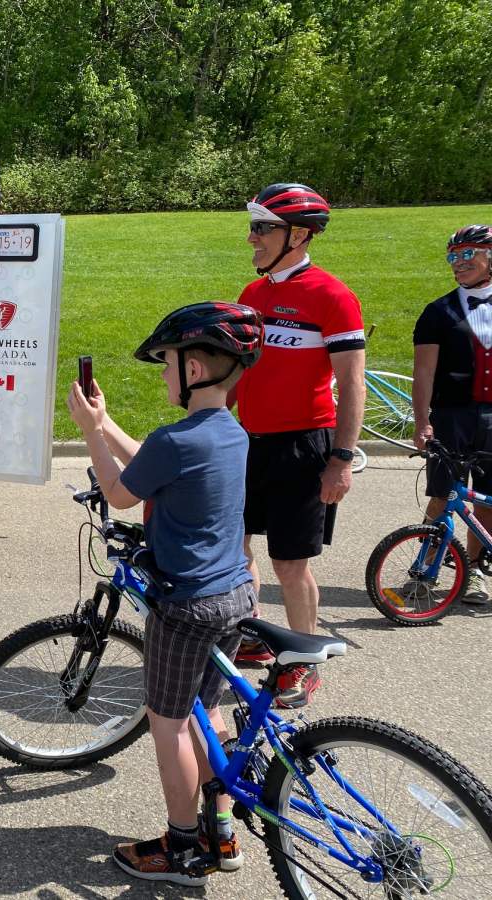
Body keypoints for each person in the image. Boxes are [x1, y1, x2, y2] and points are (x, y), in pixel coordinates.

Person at [67, 302, 262, 887]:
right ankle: (220, 832)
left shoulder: (176, 440)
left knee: (169, 721)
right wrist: (105, 424)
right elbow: (151, 464)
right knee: (212, 711)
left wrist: (87, 433)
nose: (161, 373)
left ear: (195, 370)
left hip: (188, 604)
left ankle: (181, 849)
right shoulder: (229, 433)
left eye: (167, 363)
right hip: (235, 594)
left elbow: (120, 493)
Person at [232, 183, 365, 708]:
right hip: (248, 442)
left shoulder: (332, 296)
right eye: (255, 226)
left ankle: (304, 660)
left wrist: (342, 458)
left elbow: (352, 384)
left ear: (300, 234)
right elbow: (240, 372)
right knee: (235, 546)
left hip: (304, 445)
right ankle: (256, 636)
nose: (252, 238)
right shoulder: (252, 294)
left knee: (289, 562)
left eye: (263, 228)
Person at [412, 225, 492, 603]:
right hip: (451, 415)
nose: (457, 264)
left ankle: (474, 571)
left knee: (486, 496)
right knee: (442, 493)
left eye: (467, 255)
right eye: (452, 257)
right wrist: (421, 420)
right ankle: (424, 568)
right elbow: (424, 373)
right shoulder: (438, 312)